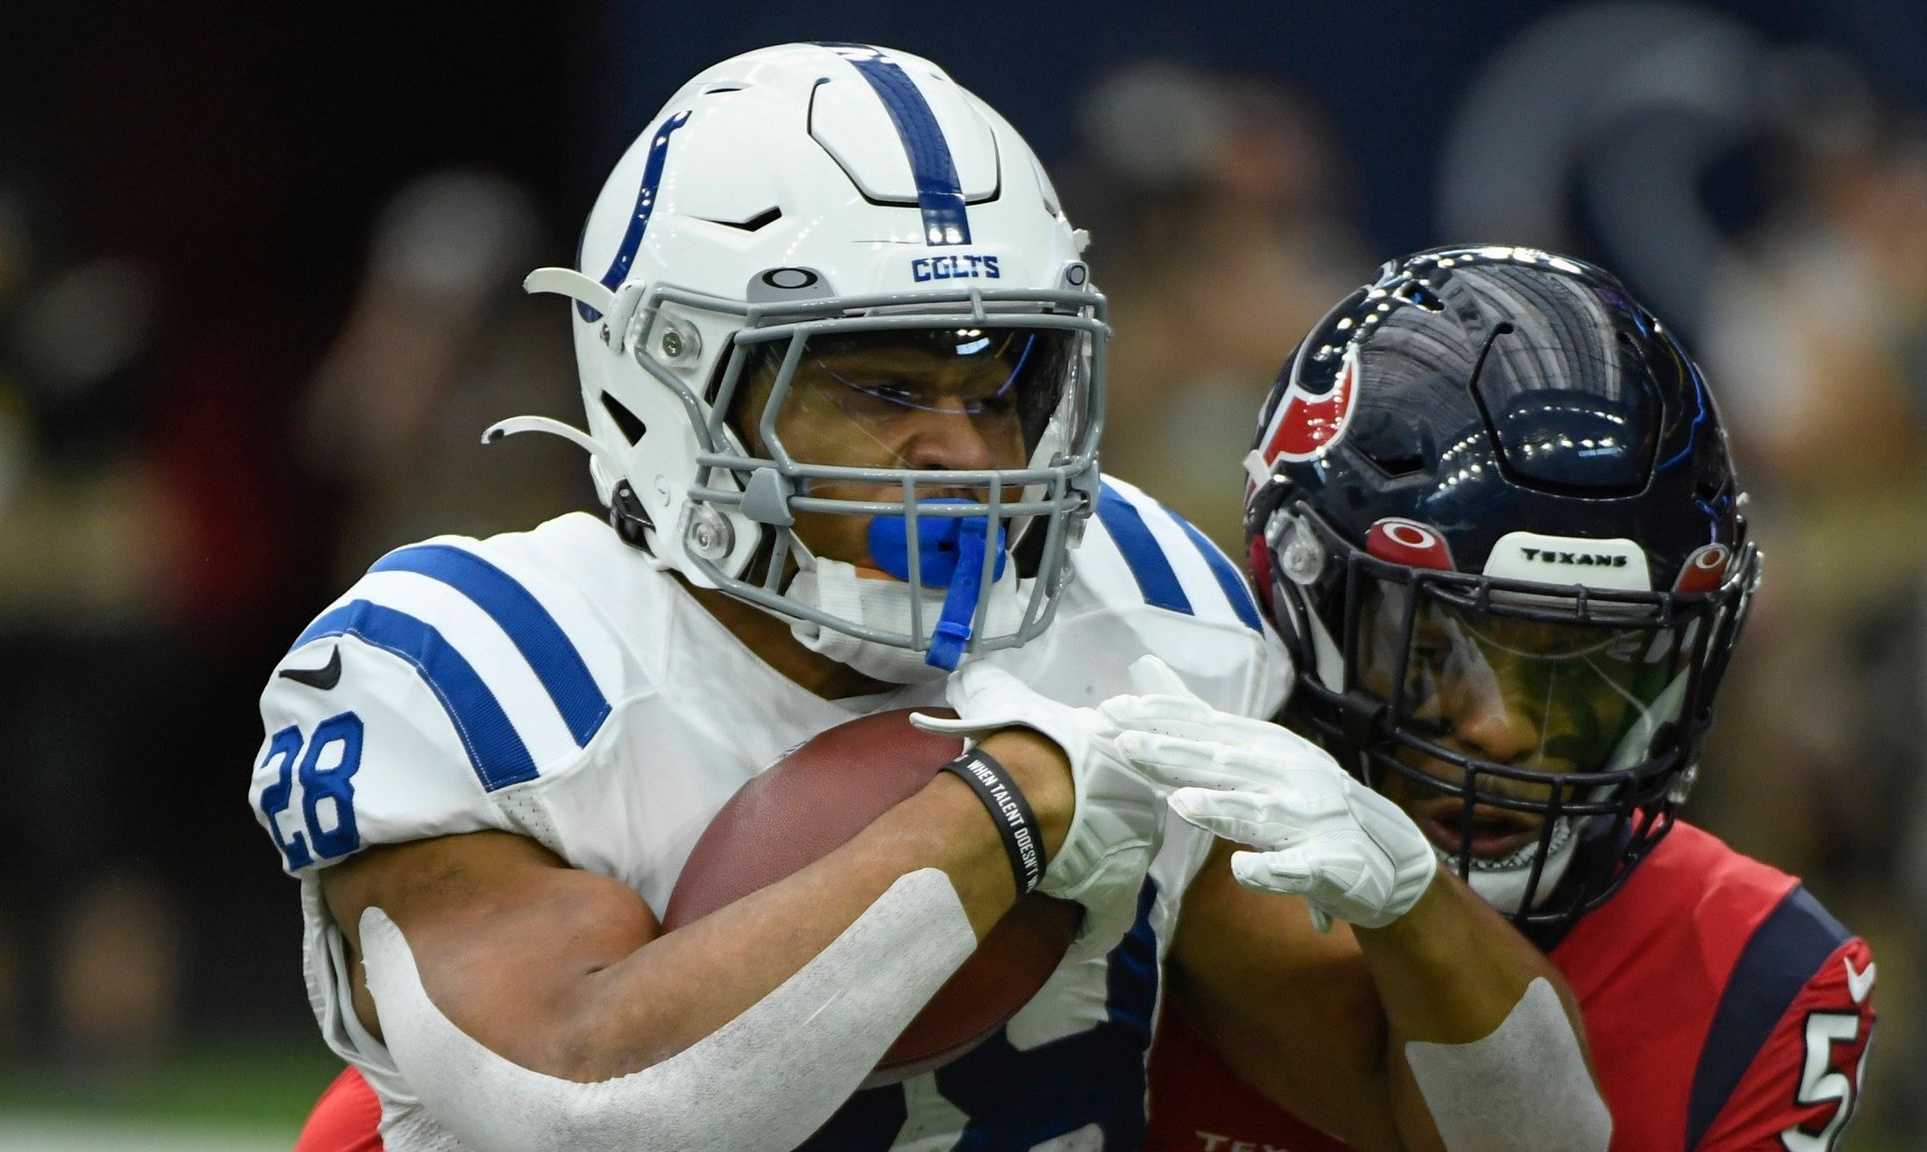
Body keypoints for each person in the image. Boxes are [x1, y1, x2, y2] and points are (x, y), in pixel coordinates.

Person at [259, 49, 1609, 1152]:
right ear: (667, 383)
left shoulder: (1137, 608)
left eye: (1002, 383)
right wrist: (1007, 808)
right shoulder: (485, 663)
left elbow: (1523, 1141)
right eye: (884, 387)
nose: (965, 453)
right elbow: (588, 1112)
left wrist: (1414, 910)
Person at [1142, 246, 1877, 1152]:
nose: (1506, 729)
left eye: (1585, 670)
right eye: (1436, 650)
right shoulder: (1147, 849)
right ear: (1300, 588)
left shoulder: (1761, 976)